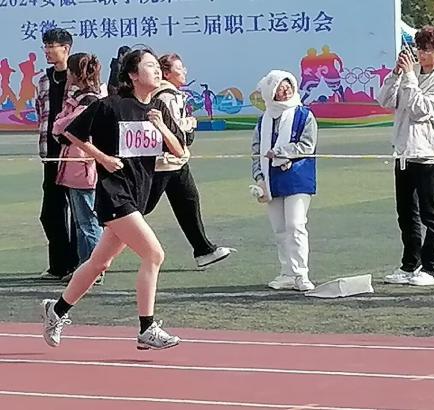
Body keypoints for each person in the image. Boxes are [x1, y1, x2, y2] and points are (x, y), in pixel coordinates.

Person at [40, 49, 186, 350]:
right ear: (132, 74)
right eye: (149, 66)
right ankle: (147, 328)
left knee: (99, 263)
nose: (156, 71)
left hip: (138, 195)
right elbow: (72, 132)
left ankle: (57, 310)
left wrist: (160, 126)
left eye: (158, 67)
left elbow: (179, 150)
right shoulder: (111, 105)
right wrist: (102, 158)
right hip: (114, 194)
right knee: (154, 254)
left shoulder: (157, 107)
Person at [378, 26, 434, 286]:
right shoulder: (411, 73)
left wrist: (408, 77)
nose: (421, 54)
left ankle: (431, 267)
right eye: (419, 48)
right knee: (406, 213)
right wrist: (396, 74)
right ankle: (410, 264)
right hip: (403, 153)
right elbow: (385, 100)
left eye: (428, 49)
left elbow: (421, 111)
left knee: (430, 213)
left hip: (425, 155)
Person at [145, 53, 232, 267]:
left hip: (175, 162)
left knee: (188, 201)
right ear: (167, 73)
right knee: (138, 208)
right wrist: (190, 123)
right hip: (164, 162)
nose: (184, 71)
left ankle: (203, 250)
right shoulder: (166, 96)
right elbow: (172, 127)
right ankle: (96, 247)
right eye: (180, 68)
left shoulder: (171, 94)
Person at [251, 70, 318, 292]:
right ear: (271, 94)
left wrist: (281, 152)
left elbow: (307, 146)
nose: (286, 90)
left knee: (295, 225)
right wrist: (259, 177)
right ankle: (287, 272)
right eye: (280, 88)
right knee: (280, 229)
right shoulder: (263, 120)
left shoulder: (304, 115)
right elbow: (256, 152)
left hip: (298, 178)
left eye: (288, 85)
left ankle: (301, 274)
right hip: (271, 180)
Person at [52, 53, 105, 285]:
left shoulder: (89, 101)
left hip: (83, 166)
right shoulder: (82, 98)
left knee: (88, 222)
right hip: (77, 166)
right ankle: (86, 267)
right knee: (82, 222)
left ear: (75, 74)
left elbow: (62, 127)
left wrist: (61, 125)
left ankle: (94, 269)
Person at [36, 28, 79, 280]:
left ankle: (78, 266)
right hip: (51, 155)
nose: (47, 50)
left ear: (66, 48)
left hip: (74, 154)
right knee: (51, 213)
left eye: (52, 45)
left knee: (79, 212)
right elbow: (41, 114)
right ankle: (59, 265)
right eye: (46, 45)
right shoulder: (43, 80)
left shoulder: (78, 79)